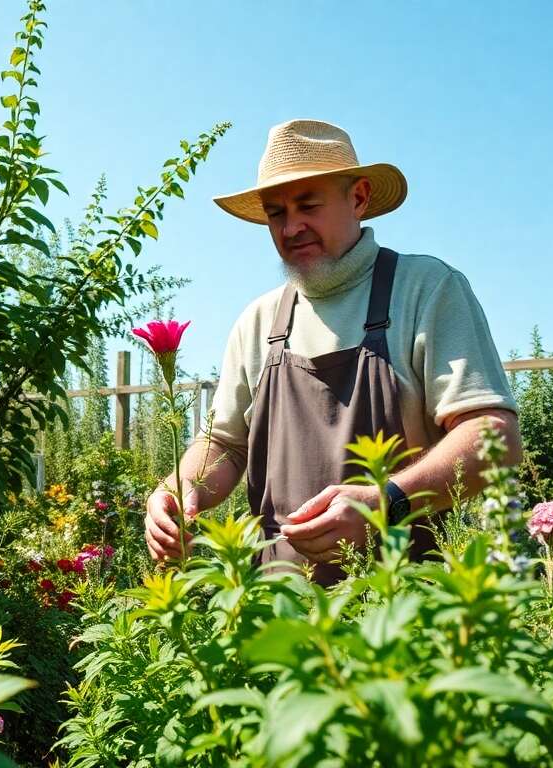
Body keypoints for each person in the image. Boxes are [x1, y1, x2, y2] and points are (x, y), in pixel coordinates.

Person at [143, 119, 522, 584]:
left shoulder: (426, 290)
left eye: (308, 205)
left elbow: (494, 436)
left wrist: (387, 501)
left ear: (359, 197)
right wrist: (178, 491)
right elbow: (224, 443)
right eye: (276, 212)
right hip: (277, 608)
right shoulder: (259, 320)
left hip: (408, 611)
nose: (291, 227)